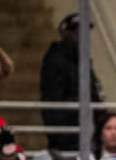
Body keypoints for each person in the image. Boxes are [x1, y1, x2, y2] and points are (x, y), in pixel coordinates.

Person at [39, 13, 102, 150]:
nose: (83, 38)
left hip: (87, 137)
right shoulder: (55, 61)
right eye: (78, 32)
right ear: (66, 34)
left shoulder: (82, 60)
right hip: (68, 140)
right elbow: (52, 104)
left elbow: (94, 95)